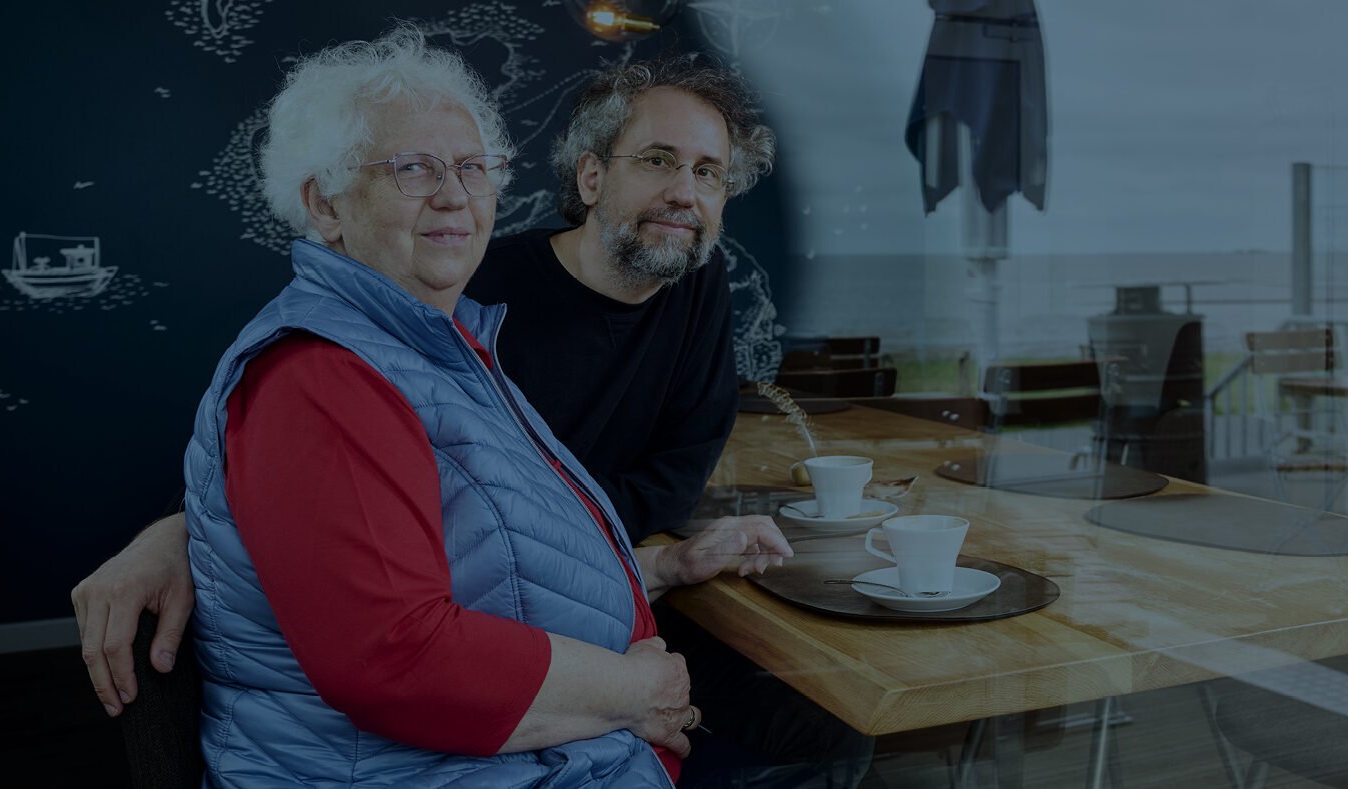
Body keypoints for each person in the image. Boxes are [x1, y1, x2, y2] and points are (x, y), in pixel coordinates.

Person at [74, 49, 870, 787]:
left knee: (836, 728)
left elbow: (512, 514)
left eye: (471, 170)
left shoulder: (452, 331)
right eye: (413, 169)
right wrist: (178, 528)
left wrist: (656, 578)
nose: (453, 197)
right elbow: (364, 577)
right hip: (493, 709)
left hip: (580, 647)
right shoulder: (448, 291)